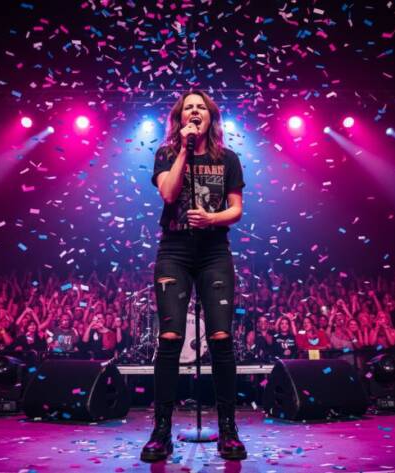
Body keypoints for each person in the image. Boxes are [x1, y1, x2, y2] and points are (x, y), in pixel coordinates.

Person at [141, 90, 246, 463]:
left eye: (202, 107)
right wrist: (184, 151)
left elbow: (237, 209)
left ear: (211, 117)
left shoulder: (228, 159)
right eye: (189, 107)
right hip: (175, 252)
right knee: (169, 339)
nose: (196, 111)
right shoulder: (166, 154)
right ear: (180, 118)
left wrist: (212, 218)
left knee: (221, 339)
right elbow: (169, 194)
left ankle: (228, 430)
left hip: (214, 252)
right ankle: (161, 432)